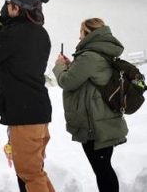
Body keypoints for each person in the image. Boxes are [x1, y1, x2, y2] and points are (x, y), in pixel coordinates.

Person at [0, 0, 55, 192]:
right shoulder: (41, 33)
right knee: (36, 172)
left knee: (30, 174)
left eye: (8, 4)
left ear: (17, 8)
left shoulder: (12, 34)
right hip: (38, 111)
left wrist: (0, 28)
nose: (5, 8)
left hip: (24, 115)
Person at [52, 18, 128, 192]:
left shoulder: (89, 56)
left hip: (95, 124)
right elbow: (88, 77)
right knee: (104, 168)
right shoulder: (101, 51)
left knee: (102, 170)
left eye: (81, 32)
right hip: (105, 119)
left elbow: (67, 81)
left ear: (88, 33)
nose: (79, 37)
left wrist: (59, 67)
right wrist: (72, 65)